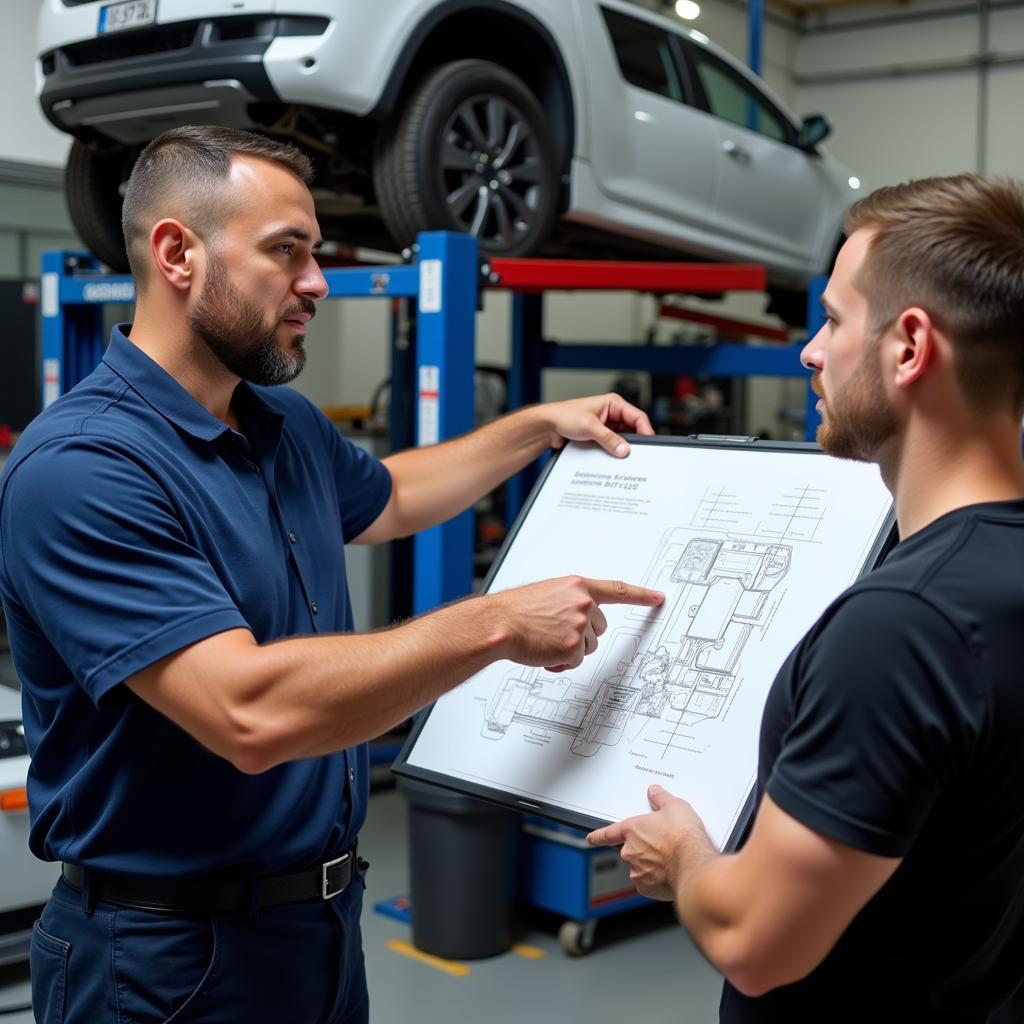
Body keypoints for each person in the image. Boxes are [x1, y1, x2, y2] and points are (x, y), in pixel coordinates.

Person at [0, 124, 664, 1024]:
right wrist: (494, 623)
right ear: (176, 253)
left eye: (316, 253)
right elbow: (249, 712)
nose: (317, 283)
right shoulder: (84, 469)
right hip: (163, 963)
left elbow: (389, 496)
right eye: (287, 252)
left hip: (315, 931)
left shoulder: (278, 422)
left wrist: (541, 425)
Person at [588, 174, 1024, 1022]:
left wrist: (683, 857)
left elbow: (757, 944)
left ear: (909, 348)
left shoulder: (906, 626)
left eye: (831, 319)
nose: (808, 352)